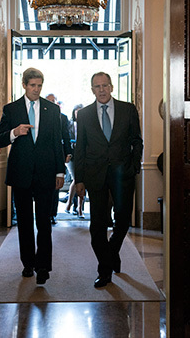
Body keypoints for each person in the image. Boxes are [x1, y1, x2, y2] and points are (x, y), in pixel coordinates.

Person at [0, 68, 65, 285]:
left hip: (46, 174)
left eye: (39, 86)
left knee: (44, 222)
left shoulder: (52, 110)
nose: (36, 89)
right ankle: (28, 264)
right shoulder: (11, 109)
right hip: (20, 175)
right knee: (24, 223)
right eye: (32, 85)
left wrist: (60, 171)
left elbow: (57, 142)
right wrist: (15, 133)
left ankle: (43, 267)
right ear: (24, 85)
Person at [75, 72, 143, 288]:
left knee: (122, 221)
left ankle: (112, 252)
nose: (102, 90)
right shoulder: (84, 114)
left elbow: (136, 141)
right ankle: (104, 270)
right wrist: (79, 179)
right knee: (97, 226)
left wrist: (133, 166)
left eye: (105, 85)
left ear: (112, 87)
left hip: (123, 174)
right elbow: (80, 148)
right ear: (92, 89)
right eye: (97, 86)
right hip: (96, 176)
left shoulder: (128, 109)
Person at [45, 93, 72, 224]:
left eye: (53, 101)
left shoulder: (63, 117)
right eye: (48, 100)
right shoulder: (40, 115)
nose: (51, 103)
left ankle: (52, 214)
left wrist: (68, 153)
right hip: (43, 155)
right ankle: (44, 213)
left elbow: (66, 136)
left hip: (58, 154)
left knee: (56, 186)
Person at [64, 104, 85, 218]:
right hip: (72, 155)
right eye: (77, 112)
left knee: (82, 180)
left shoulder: (87, 124)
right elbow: (65, 137)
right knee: (77, 179)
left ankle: (78, 207)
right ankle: (70, 204)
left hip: (83, 156)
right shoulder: (70, 124)